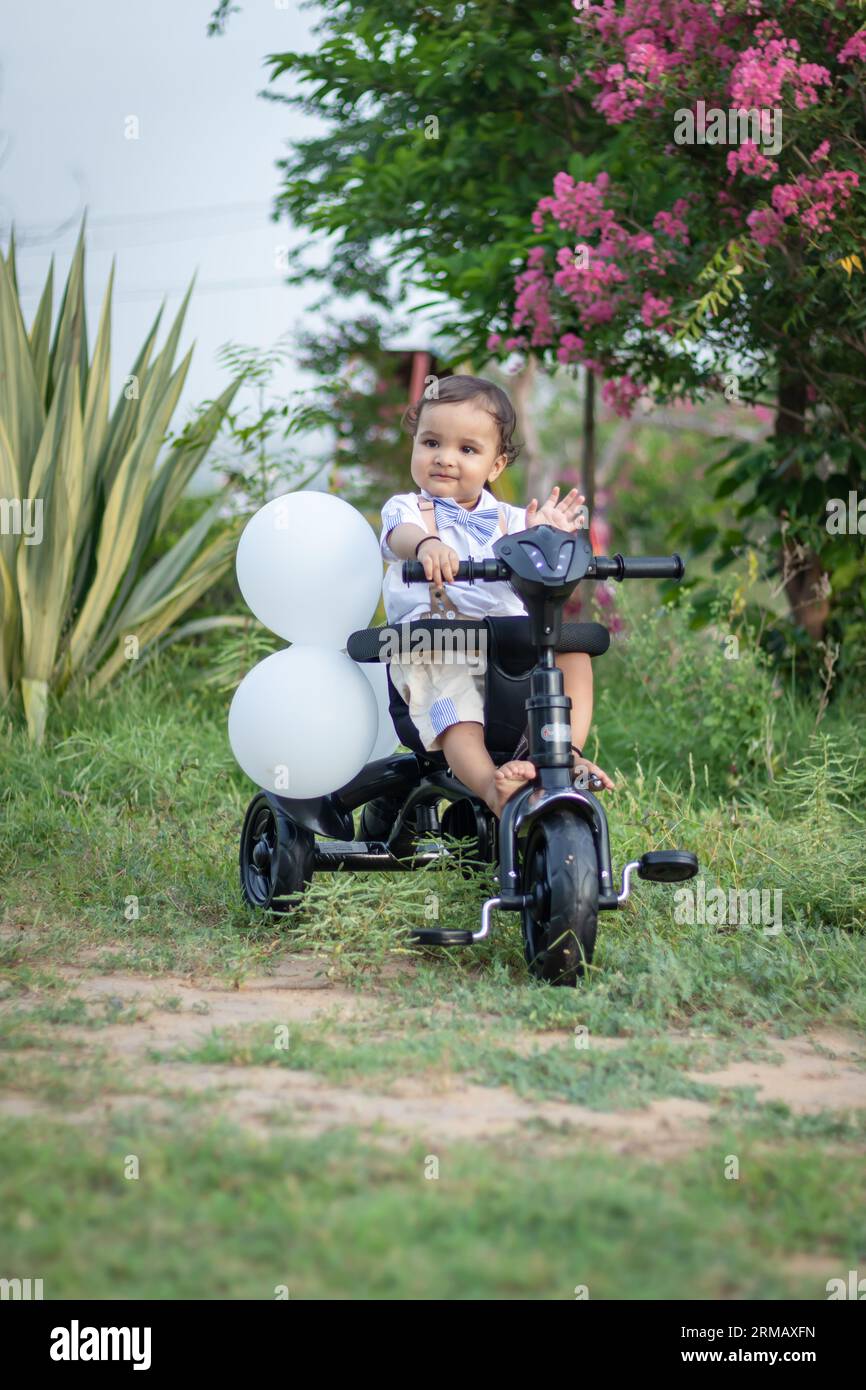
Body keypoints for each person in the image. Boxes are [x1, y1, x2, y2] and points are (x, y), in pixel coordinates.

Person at [379, 374, 614, 818]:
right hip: (436, 642)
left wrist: (549, 538)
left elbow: (542, 567)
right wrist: (427, 546)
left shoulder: (511, 519)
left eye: (467, 449)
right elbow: (400, 535)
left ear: (496, 466)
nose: (445, 459)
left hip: (505, 646)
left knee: (572, 652)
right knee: (451, 683)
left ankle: (567, 753)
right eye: (431, 443)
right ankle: (491, 786)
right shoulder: (409, 509)